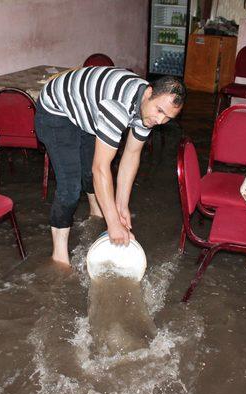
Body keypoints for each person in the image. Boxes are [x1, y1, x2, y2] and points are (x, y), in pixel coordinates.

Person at [35, 66, 186, 266]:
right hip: (57, 109)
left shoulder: (147, 109)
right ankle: (59, 257)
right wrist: (113, 223)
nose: (160, 120)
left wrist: (121, 207)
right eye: (159, 111)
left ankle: (96, 214)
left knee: (90, 175)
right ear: (149, 92)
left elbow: (131, 155)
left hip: (88, 109)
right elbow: (101, 168)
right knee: (70, 187)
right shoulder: (118, 107)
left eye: (168, 117)